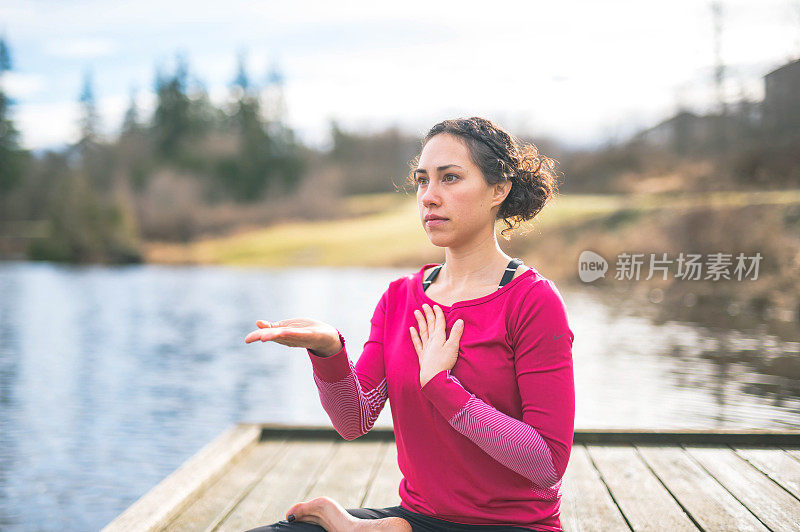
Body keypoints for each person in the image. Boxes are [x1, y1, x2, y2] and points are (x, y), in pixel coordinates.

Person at [243, 117, 575, 532]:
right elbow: (355, 419)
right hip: (419, 517)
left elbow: (546, 463)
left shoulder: (532, 301)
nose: (429, 197)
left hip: (509, 526)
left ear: (499, 189)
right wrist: (328, 351)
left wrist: (441, 386)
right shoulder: (400, 297)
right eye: (422, 181)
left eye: (450, 178)